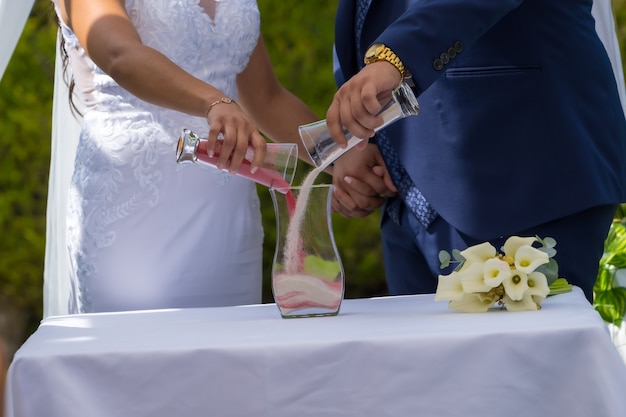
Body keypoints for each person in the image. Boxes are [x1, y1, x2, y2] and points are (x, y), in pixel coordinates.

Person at [327, 0, 626, 303]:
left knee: (527, 348)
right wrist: (360, 135)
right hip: (405, 199)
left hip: (522, 172)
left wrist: (393, 59)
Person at [49, 0, 318, 313]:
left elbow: (267, 99)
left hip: (227, 222)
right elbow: (118, 54)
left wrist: (340, 158)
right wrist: (213, 101)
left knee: (231, 351)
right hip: (133, 220)